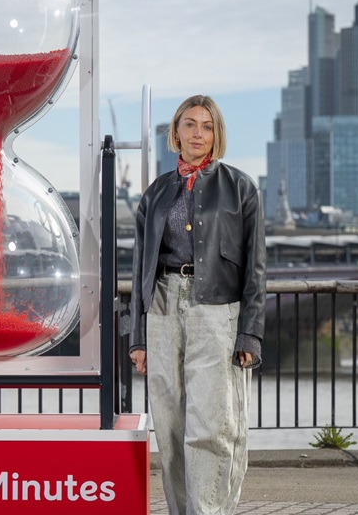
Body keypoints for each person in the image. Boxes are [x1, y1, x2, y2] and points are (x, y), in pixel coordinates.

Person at [129, 94, 266, 515]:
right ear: (176, 131)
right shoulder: (155, 193)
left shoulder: (241, 188)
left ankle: (208, 511)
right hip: (162, 306)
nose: (197, 134)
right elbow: (140, 269)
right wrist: (138, 338)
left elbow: (256, 267)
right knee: (169, 424)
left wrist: (250, 332)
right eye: (189, 124)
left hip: (217, 311)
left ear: (216, 134)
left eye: (207, 126)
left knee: (212, 423)